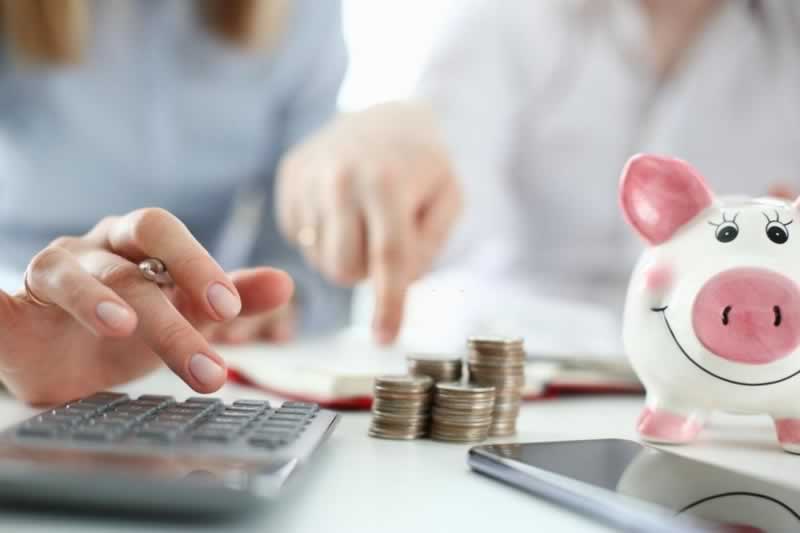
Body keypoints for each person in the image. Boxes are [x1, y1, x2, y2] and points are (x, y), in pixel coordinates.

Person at [0, 0, 460, 404]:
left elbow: (298, 234)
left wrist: (281, 302)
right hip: (32, 329)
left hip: (200, 337)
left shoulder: (301, 12)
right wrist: (18, 330)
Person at [348, 0, 800, 353]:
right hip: (525, 353)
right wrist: (405, 200)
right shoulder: (509, 17)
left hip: (733, 378)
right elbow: (451, 207)